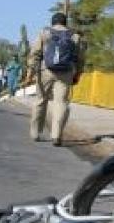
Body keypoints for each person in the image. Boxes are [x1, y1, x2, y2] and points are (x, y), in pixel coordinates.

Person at [28, 13, 83, 146]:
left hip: (45, 71)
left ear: (53, 22)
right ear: (65, 23)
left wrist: (31, 71)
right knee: (61, 103)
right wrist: (77, 74)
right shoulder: (75, 37)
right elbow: (80, 58)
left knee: (40, 100)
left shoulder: (45, 33)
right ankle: (56, 135)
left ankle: (35, 133)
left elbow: (35, 53)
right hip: (65, 73)